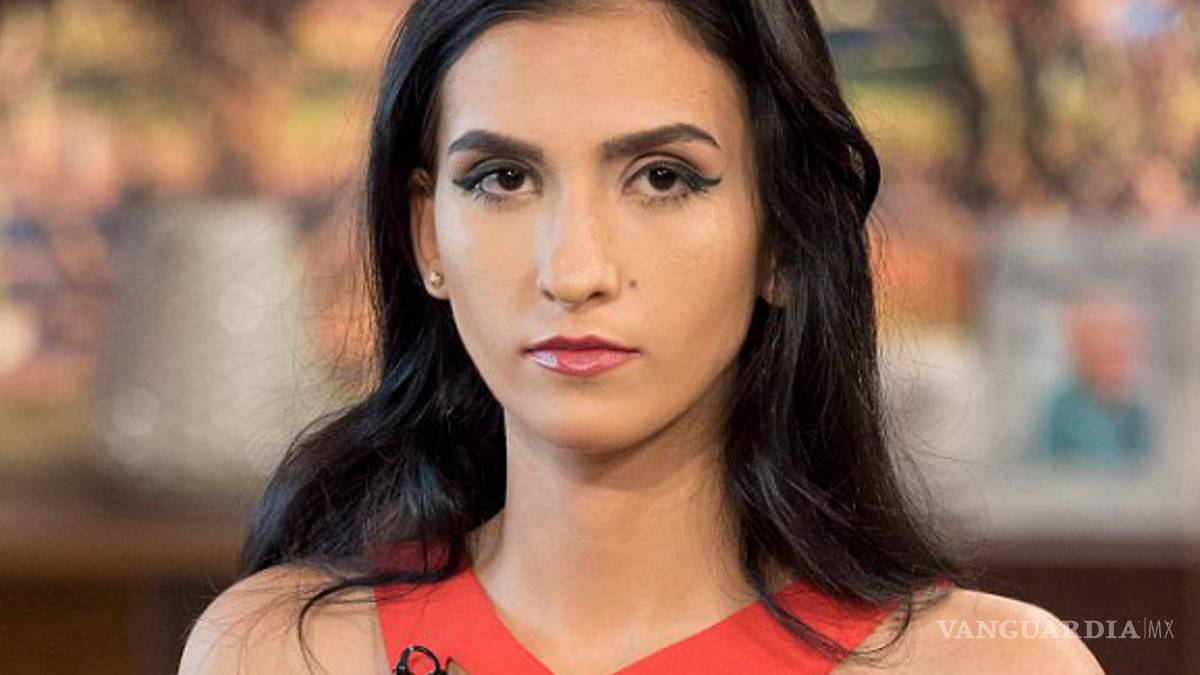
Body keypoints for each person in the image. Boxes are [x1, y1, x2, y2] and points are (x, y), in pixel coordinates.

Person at [179, 1, 1105, 673]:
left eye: (663, 177)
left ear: (783, 238)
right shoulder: (285, 652)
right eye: (502, 178)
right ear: (428, 236)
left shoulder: (988, 663)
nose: (574, 269)